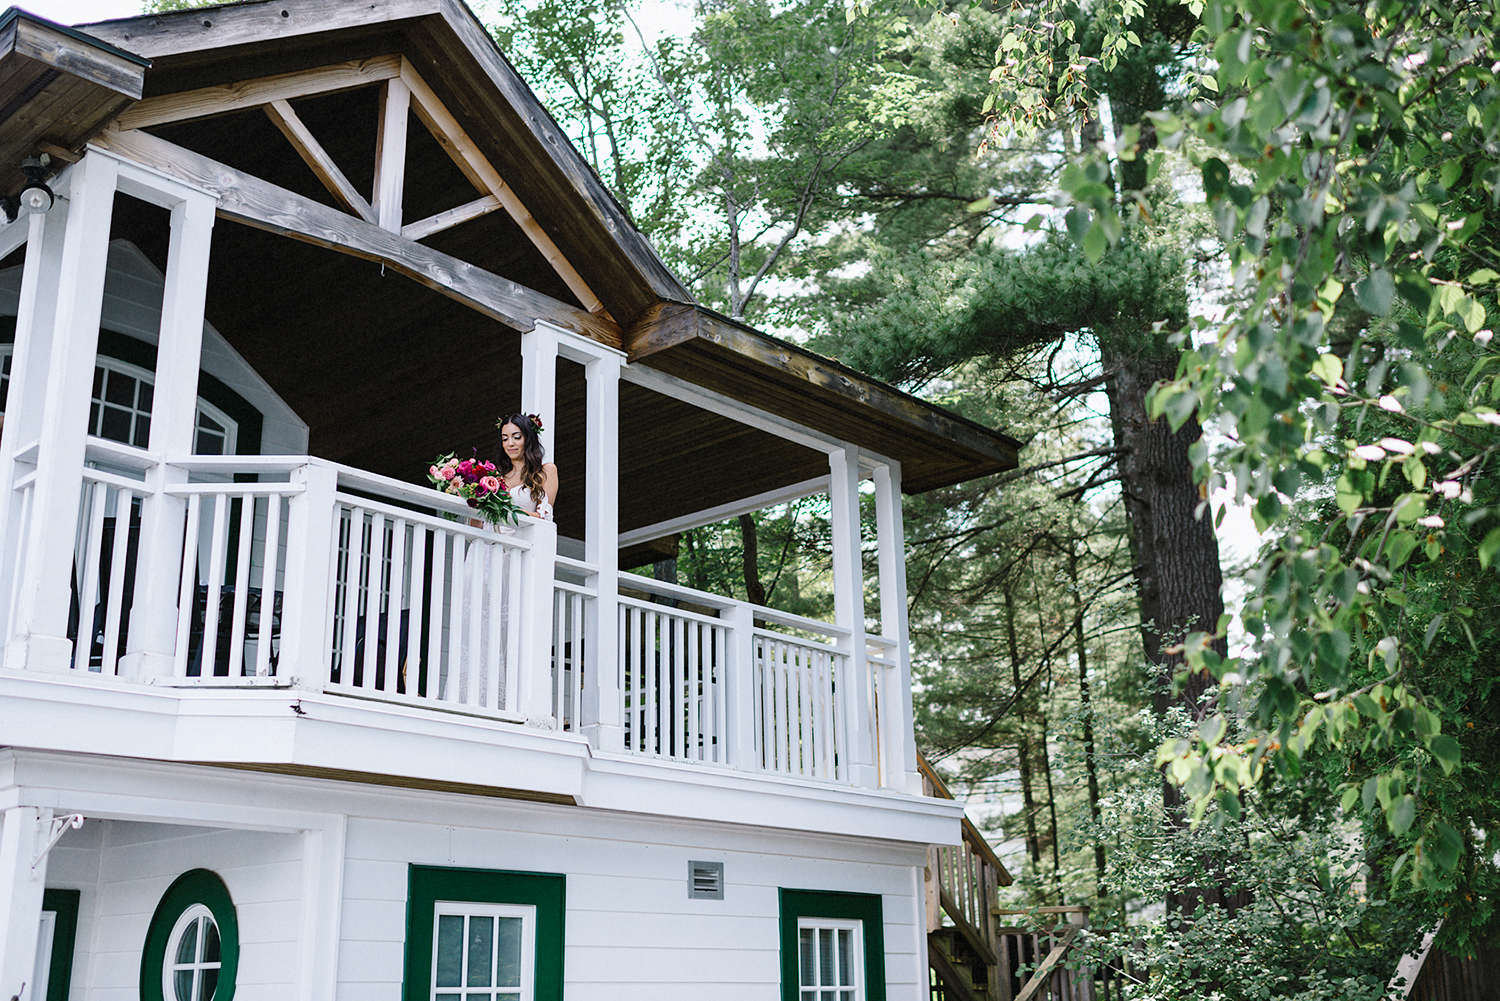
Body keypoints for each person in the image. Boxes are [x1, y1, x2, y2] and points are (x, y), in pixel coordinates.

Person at [496, 413, 557, 521]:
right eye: (505, 439)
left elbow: (544, 517)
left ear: (529, 439)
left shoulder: (545, 471)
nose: (510, 443)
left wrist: (509, 511)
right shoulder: (497, 476)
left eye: (517, 437)